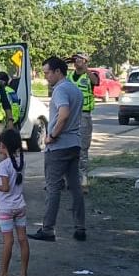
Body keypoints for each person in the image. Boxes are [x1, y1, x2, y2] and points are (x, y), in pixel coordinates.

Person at [31, 56, 86, 242]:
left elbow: (63, 114)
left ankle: (48, 229)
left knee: (53, 187)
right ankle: (80, 227)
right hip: (74, 143)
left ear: (57, 72)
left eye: (47, 73)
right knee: (75, 186)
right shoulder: (75, 90)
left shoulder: (60, 90)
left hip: (59, 146)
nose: (45, 76)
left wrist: (52, 136)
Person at [0, 127, 30, 276]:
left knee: (8, 241)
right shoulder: (21, 162)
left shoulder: (3, 165)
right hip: (20, 205)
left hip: (6, 207)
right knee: (23, 239)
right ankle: (23, 274)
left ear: (4, 145)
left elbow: (5, 188)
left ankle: (3, 274)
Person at [67, 52, 95, 190]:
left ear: (85, 61)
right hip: (70, 115)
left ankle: (83, 179)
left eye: (80, 59)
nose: (76, 61)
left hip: (84, 115)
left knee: (83, 149)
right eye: (75, 59)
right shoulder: (69, 77)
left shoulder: (89, 76)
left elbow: (96, 82)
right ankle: (69, 179)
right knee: (68, 147)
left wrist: (86, 69)